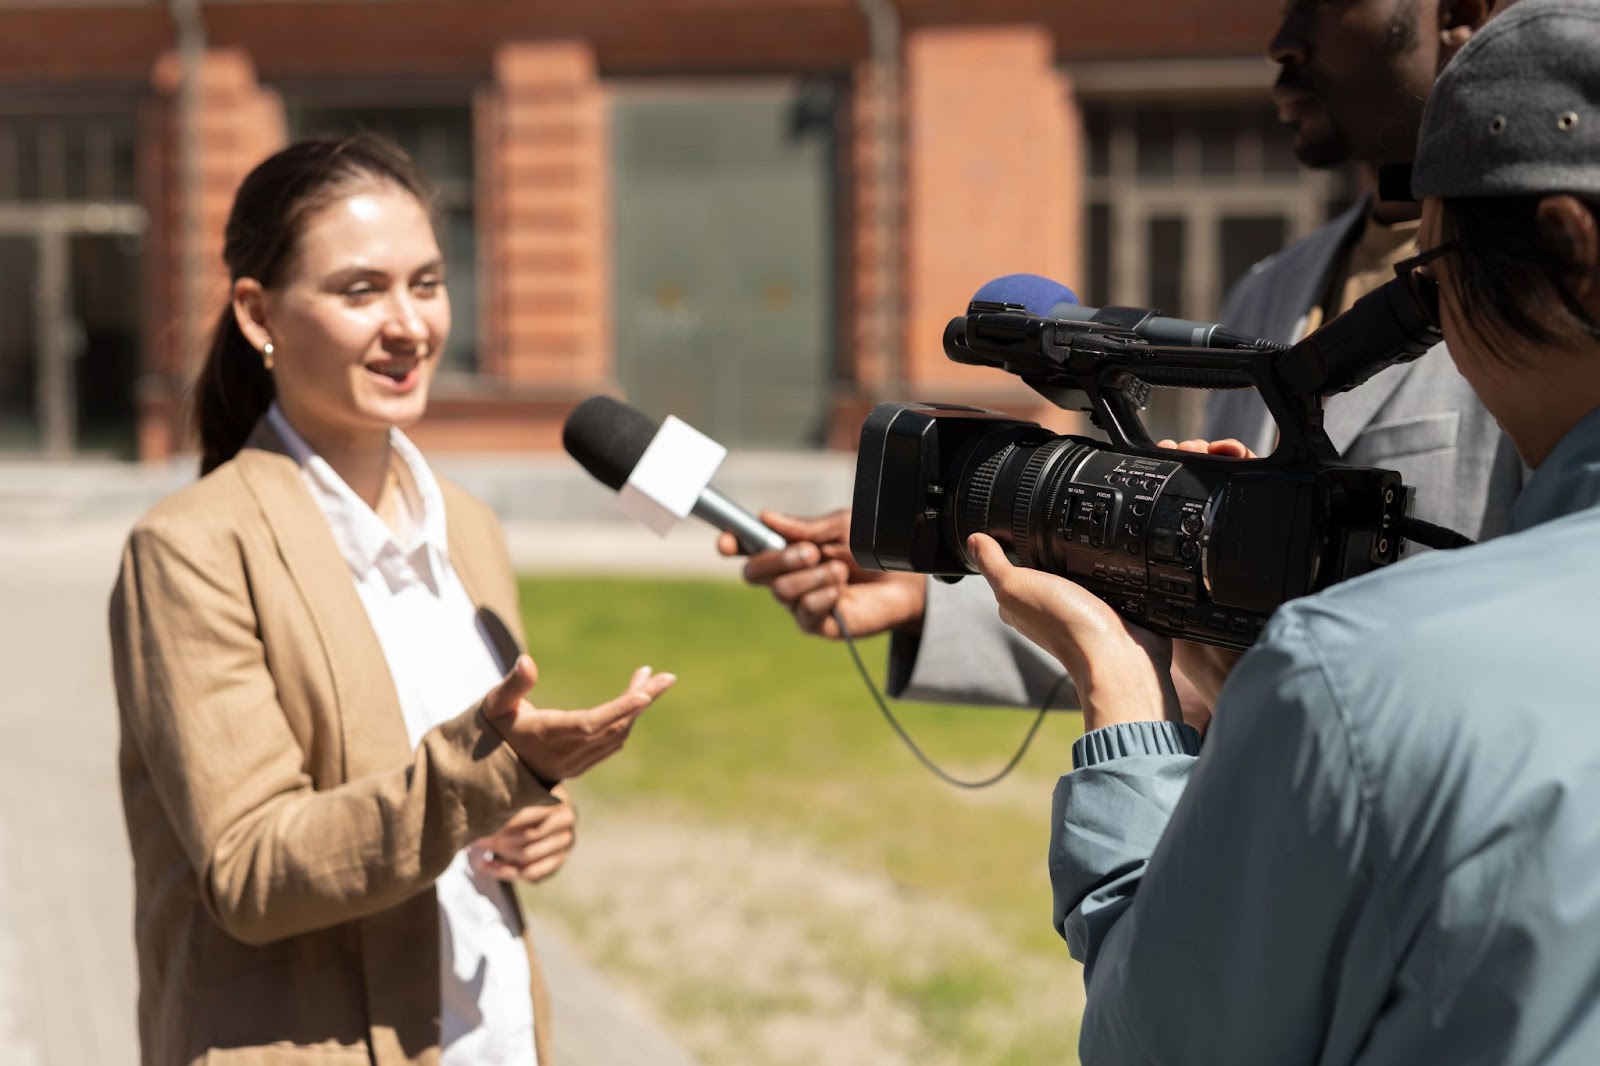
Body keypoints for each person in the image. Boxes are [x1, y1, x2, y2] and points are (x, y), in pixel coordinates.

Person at [970, 1, 1600, 1058]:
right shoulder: (1274, 286)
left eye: (1432, 279)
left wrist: (1125, 700)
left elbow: (1157, 1037)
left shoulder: (1351, 678)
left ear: (1568, 253)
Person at [723, 0, 1523, 715]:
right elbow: (1192, 614)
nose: (1281, 39)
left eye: (1321, 2)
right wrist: (941, 586)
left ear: (1462, 12)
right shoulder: (1267, 290)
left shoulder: (1541, 299)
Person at [109, 135, 675, 1066]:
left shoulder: (469, 526)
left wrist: (536, 817)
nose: (409, 324)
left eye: (427, 283)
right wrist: (492, 779)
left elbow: (474, 793)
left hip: (488, 1036)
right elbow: (251, 869)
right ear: (258, 312)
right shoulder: (193, 549)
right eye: (361, 290)